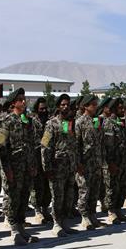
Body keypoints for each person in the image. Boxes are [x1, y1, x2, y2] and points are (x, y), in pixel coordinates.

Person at [0, 88, 38, 245]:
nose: (23, 101)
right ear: (13, 103)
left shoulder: (27, 121)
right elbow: (0, 146)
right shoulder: (6, 122)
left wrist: (33, 165)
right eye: (20, 99)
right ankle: (14, 231)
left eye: (24, 98)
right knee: (13, 199)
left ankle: (21, 228)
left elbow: (32, 145)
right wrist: (6, 169)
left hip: (26, 168)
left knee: (23, 198)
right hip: (13, 169)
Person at [41, 93, 79, 236]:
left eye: (67, 104)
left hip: (69, 166)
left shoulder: (69, 123)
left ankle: (64, 222)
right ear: (58, 107)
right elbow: (45, 145)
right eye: (63, 104)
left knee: (69, 196)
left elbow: (74, 144)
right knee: (57, 197)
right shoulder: (51, 124)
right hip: (57, 167)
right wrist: (47, 167)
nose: (65, 107)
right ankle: (56, 224)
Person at [75, 94, 105, 230]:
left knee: (94, 190)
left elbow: (100, 141)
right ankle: (84, 216)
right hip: (85, 162)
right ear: (85, 106)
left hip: (96, 161)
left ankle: (93, 214)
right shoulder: (79, 122)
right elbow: (76, 144)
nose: (95, 106)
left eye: (96, 104)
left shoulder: (97, 120)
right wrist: (78, 163)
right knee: (84, 190)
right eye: (93, 104)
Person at [29, 98, 53, 225]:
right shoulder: (32, 122)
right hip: (36, 158)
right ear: (36, 110)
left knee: (47, 186)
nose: (44, 111)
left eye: (45, 108)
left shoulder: (49, 123)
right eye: (41, 109)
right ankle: (37, 210)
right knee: (37, 186)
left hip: (48, 158)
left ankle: (45, 208)